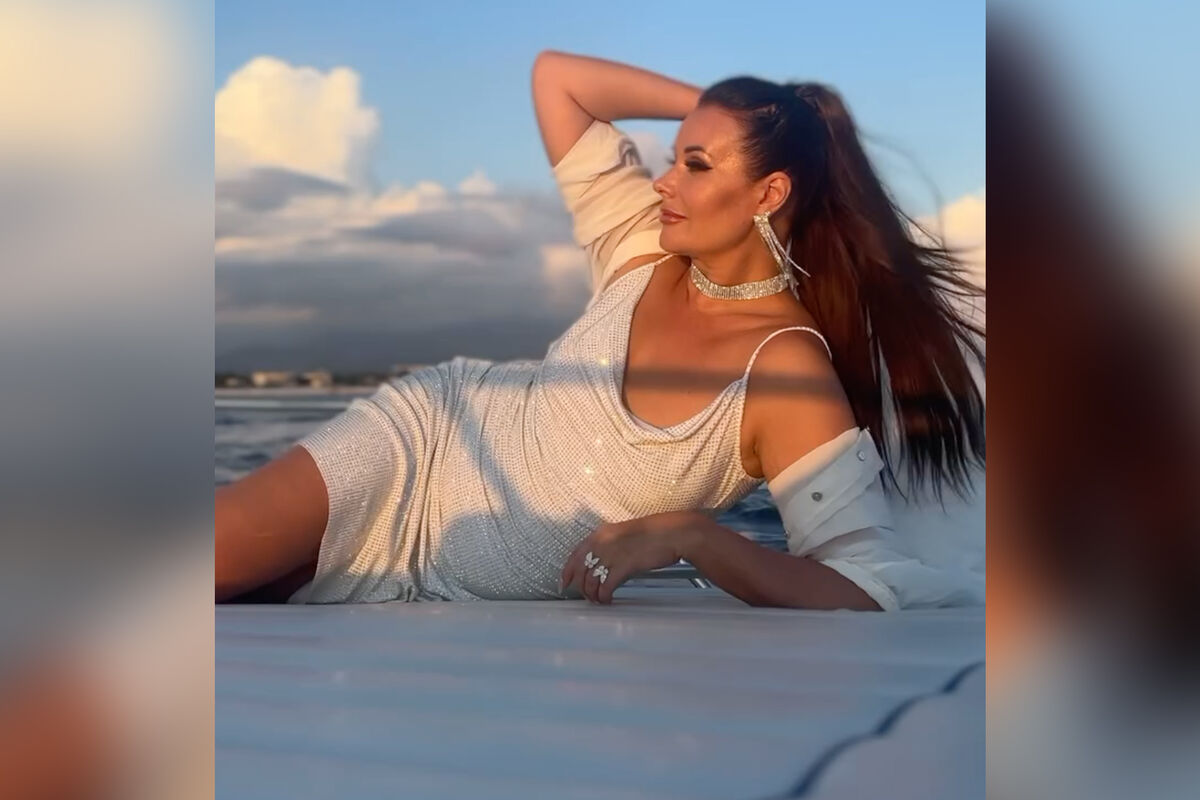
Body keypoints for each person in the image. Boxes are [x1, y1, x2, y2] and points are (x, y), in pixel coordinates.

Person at [215, 50, 985, 610]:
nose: (665, 181)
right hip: (423, 444)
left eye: (695, 163)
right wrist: (750, 114)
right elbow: (558, 77)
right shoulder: (642, 243)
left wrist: (695, 537)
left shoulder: (781, 368)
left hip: (451, 582)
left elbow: (862, 583)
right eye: (674, 157)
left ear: (768, 192)